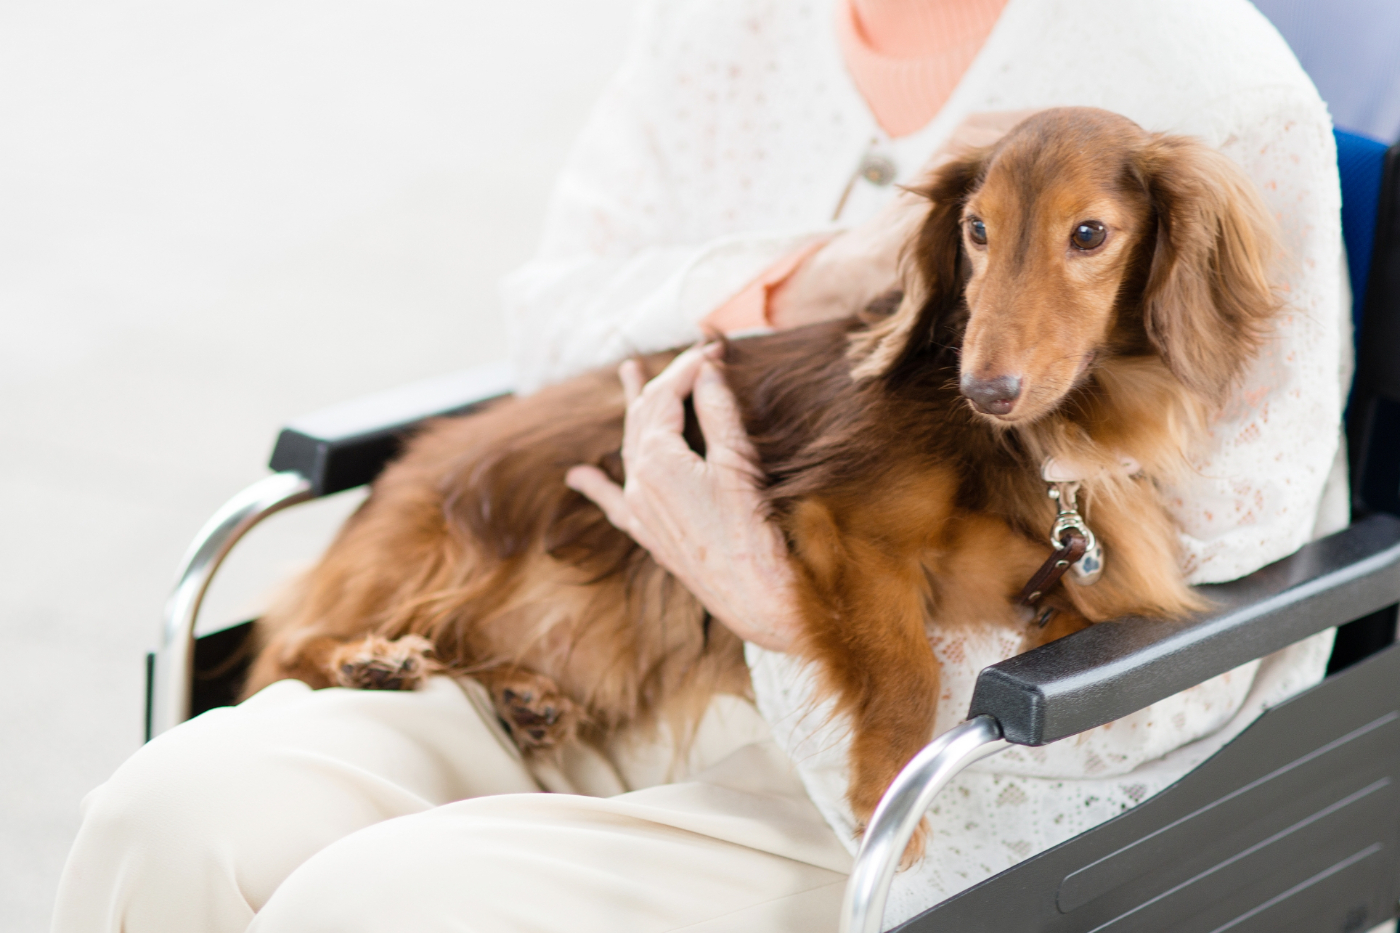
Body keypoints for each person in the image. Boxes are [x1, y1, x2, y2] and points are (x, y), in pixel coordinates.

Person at [52, 1, 1352, 931]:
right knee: (166, 818)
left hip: (929, 777)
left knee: (372, 904)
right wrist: (807, 278)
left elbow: (1223, 646)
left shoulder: (1213, 83)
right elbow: (549, 324)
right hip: (614, 647)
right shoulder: (727, 24)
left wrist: (790, 620)